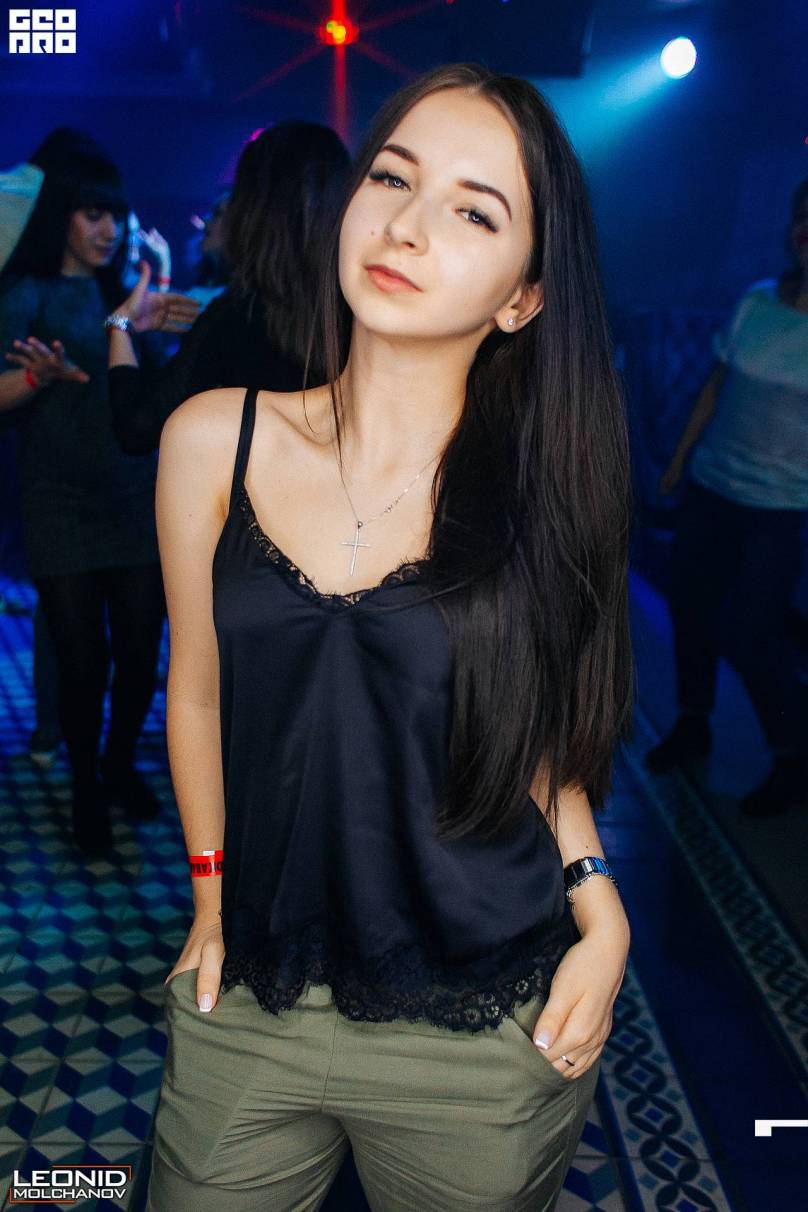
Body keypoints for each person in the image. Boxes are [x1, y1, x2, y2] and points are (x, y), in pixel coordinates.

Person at [146, 63, 634, 1211]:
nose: (408, 226)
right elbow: (198, 692)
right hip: (254, 986)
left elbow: (534, 736)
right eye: (392, 178)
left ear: (523, 298)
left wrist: (600, 911)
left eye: (474, 211)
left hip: (478, 1020)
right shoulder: (214, 439)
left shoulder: (540, 496)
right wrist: (210, 900)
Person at [0, 133, 198, 855]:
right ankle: (86, 782)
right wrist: (37, 377)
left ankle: (117, 765)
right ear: (62, 216)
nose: (108, 228)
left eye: (115, 214)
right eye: (92, 213)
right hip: (59, 501)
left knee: (142, 654)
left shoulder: (130, 296)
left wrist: (163, 329)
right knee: (83, 662)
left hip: (138, 497)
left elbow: (162, 390)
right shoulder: (24, 294)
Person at [646, 178, 808, 817]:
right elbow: (715, 387)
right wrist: (678, 463)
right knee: (690, 607)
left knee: (750, 633)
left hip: (783, 508)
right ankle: (694, 723)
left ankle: (791, 757)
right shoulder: (758, 301)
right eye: (802, 214)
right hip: (713, 486)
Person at [106, 122, 350, 454]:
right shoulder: (365, 307)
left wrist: (120, 325)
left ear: (253, 209)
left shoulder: (240, 314)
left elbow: (138, 426)